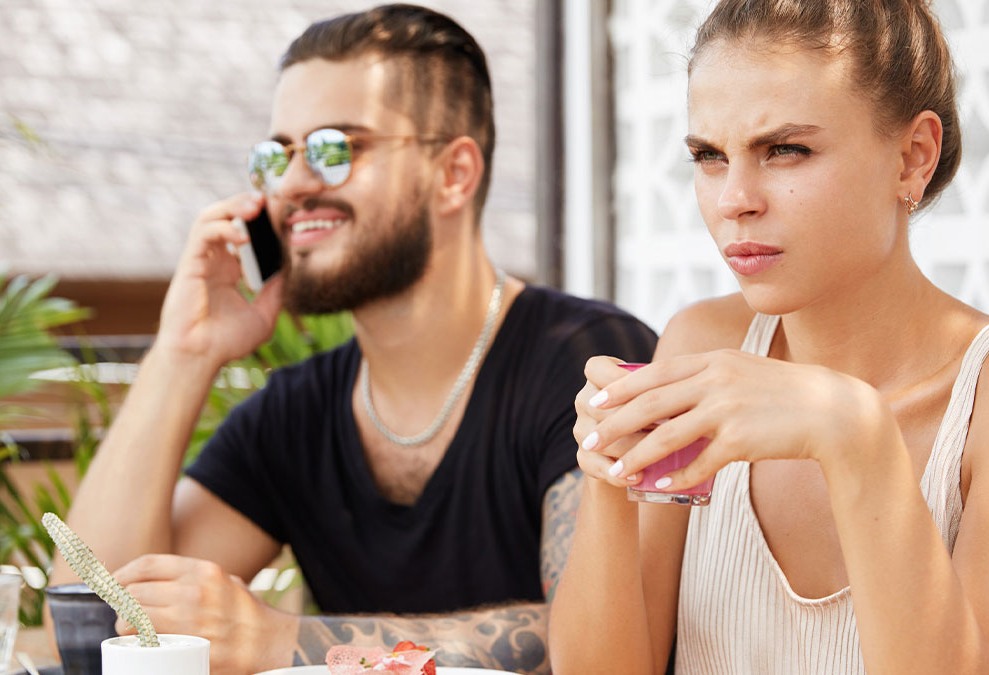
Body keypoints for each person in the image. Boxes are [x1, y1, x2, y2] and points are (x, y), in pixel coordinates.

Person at [50, 5, 656, 674]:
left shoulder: (587, 358)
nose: (296, 183)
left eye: (336, 149)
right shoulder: (293, 413)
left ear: (453, 173)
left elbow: (603, 640)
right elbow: (96, 621)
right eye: (277, 155)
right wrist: (180, 356)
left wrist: (280, 639)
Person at [549, 1, 989, 673]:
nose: (734, 198)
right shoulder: (703, 342)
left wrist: (854, 434)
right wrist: (610, 471)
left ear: (912, 157)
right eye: (709, 155)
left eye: (786, 150)